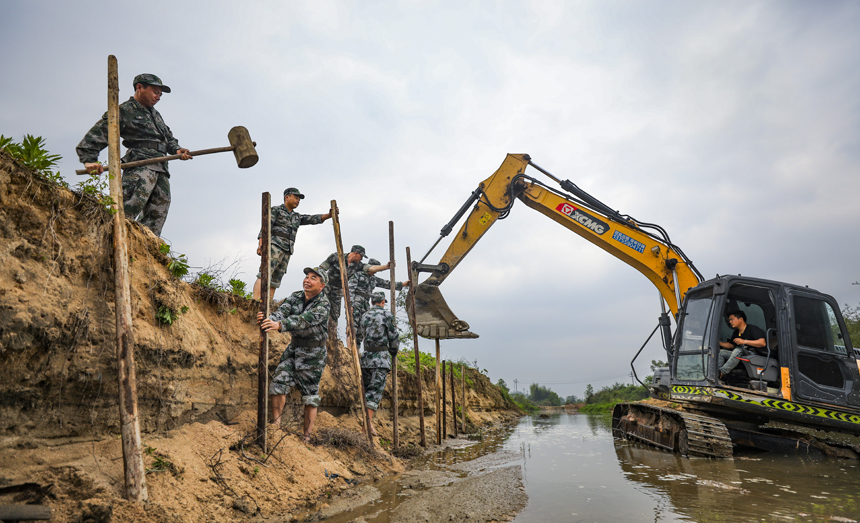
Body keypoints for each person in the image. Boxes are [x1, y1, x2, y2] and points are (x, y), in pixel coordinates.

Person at [76, 73, 191, 237]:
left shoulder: (156, 115)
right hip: (140, 164)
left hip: (161, 167)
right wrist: (89, 160)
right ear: (139, 87)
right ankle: (107, 237)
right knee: (130, 207)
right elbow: (98, 133)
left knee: (159, 211)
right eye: (155, 92)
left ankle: (144, 247)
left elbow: (168, 137)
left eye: (160, 94)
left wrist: (177, 150)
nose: (158, 97)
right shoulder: (124, 110)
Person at [257, 266, 330, 442]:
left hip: (313, 354)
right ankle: (276, 426)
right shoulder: (296, 296)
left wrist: (280, 325)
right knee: (278, 383)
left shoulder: (323, 304)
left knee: (310, 397)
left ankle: (306, 437)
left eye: (313, 278)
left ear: (322, 285)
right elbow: (282, 312)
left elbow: (305, 320)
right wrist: (270, 319)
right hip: (294, 350)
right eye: (307, 276)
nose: (307, 280)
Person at [254, 187, 332, 300]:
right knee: (265, 273)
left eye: (299, 199)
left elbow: (312, 219)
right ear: (287, 197)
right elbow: (266, 226)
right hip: (274, 246)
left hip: (287, 250)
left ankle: (268, 303)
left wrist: (329, 215)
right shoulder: (276, 210)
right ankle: (255, 300)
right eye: (296, 197)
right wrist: (261, 244)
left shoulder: (296, 217)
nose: (297, 201)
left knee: (276, 279)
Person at [318, 245, 391, 340]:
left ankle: (332, 337)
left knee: (335, 313)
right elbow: (322, 268)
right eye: (361, 256)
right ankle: (317, 330)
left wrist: (386, 267)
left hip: (338, 291)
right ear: (356, 254)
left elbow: (370, 268)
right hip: (326, 286)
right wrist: (319, 283)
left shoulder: (358, 266)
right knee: (320, 307)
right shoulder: (336, 257)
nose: (361, 259)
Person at [360, 292, 400, 436]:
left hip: (365, 358)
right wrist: (394, 351)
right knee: (374, 393)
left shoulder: (364, 315)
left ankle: (368, 424)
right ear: (383, 302)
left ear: (372, 302)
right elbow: (393, 336)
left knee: (365, 391)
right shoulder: (387, 315)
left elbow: (360, 334)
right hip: (380, 358)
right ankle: (365, 429)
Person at [349, 257, 407, 346]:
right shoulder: (358, 275)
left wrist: (402, 284)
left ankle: (356, 350)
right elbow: (350, 290)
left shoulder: (373, 279)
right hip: (356, 303)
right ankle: (350, 350)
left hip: (365, 305)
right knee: (353, 327)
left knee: (362, 330)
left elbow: (387, 284)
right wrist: (350, 305)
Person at [718, 310, 766, 377]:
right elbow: (731, 345)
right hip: (740, 354)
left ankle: (722, 372)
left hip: (755, 354)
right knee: (721, 353)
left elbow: (762, 343)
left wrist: (744, 341)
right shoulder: (736, 333)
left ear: (741, 319)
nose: (730, 322)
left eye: (732, 319)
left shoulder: (753, 329)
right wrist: (719, 343)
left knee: (738, 349)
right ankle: (717, 371)